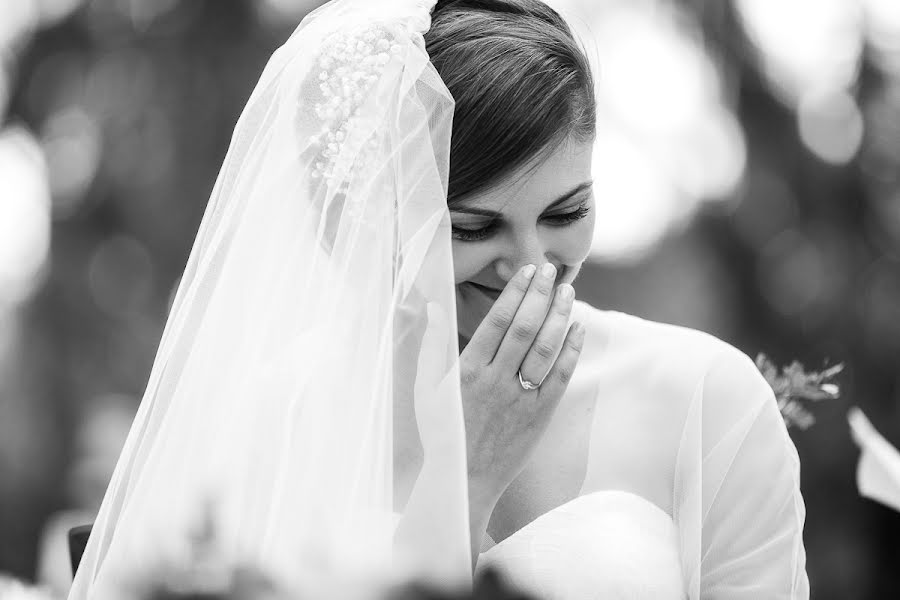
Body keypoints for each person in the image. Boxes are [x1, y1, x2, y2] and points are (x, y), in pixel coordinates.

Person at [69, 1, 809, 599]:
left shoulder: (706, 400)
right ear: (372, 223)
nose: (531, 268)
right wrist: (467, 475)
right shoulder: (278, 421)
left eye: (565, 212)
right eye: (473, 228)